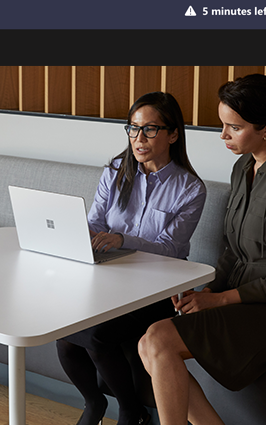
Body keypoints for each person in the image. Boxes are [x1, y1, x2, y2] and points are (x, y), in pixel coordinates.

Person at [136, 74, 266, 425]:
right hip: (242, 296)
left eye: (233, 128)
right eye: (223, 125)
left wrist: (221, 300)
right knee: (148, 343)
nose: (223, 136)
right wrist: (208, 290)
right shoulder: (243, 167)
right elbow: (232, 251)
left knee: (159, 338)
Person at [57, 92, 206, 425]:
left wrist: (123, 239)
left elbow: (170, 247)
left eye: (150, 129)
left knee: (96, 336)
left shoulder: (190, 188)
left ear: (173, 134)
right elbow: (96, 221)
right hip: (109, 279)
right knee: (64, 337)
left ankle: (130, 410)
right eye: (133, 129)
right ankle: (94, 403)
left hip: (158, 289)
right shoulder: (115, 171)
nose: (138, 139)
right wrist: (73, 232)